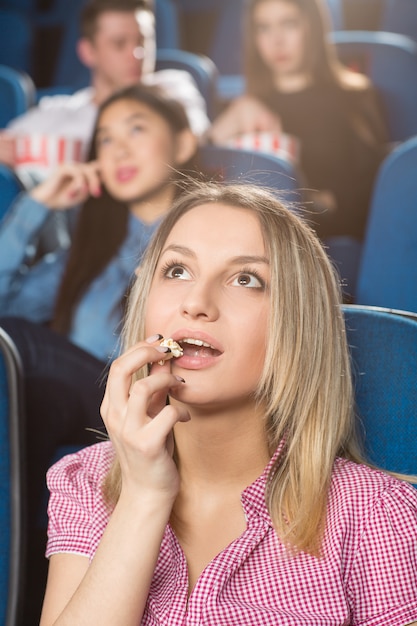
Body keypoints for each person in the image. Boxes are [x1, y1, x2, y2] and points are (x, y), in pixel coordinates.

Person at [40, 181, 417, 625]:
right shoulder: (86, 482)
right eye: (177, 271)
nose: (196, 304)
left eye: (246, 279)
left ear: (298, 328)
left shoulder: (376, 516)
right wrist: (144, 496)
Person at [0, 82, 198, 624]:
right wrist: (37, 206)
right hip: (62, 400)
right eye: (105, 139)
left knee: (23, 347)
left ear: (182, 144)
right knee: (13, 352)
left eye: (136, 129)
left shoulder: (205, 243)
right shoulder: (86, 252)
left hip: (146, 404)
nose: (119, 150)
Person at [209, 0, 389, 241]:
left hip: (326, 240)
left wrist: (314, 201)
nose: (277, 40)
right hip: (257, 240)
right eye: (264, 28)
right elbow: (202, 192)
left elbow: (372, 195)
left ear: (312, 27)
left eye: (289, 24)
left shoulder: (354, 97)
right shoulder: (246, 109)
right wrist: (223, 128)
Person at [0, 0, 209, 187]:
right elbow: (7, 142)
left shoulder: (173, 86)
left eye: (143, 41)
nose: (136, 54)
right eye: (119, 44)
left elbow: (193, 137)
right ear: (88, 52)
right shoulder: (60, 111)